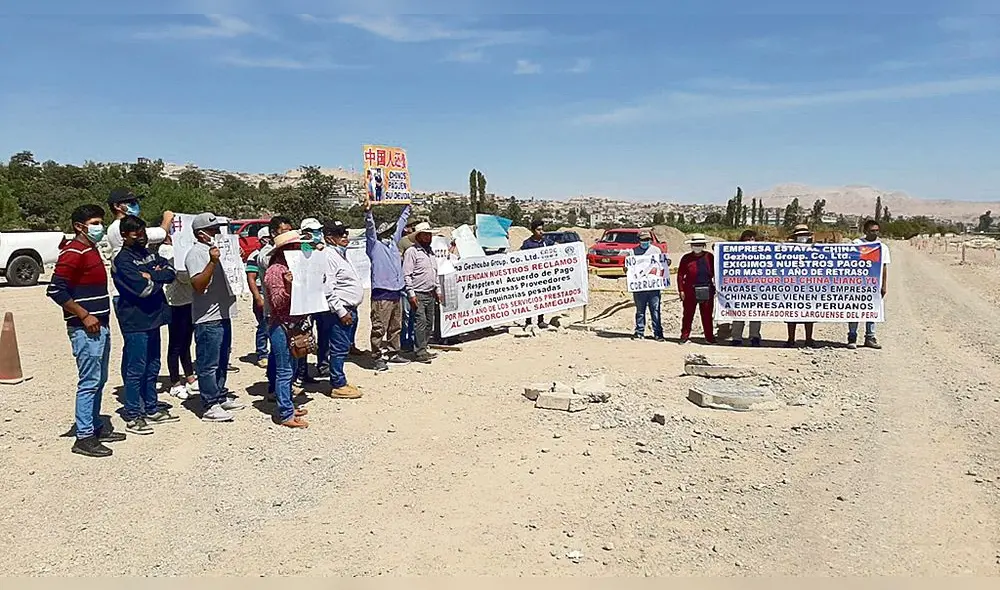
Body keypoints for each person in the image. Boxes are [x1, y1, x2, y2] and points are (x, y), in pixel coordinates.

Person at [47, 204, 123, 457]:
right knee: (89, 381)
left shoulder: (90, 249)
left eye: (100, 222)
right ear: (79, 226)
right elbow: (56, 290)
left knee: (99, 379)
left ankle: (95, 426)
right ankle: (84, 436)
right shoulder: (73, 252)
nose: (99, 227)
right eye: (94, 223)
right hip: (85, 327)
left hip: (99, 324)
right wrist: (84, 314)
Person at [112, 215, 180, 435]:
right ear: (124, 235)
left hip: (155, 317)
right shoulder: (122, 260)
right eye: (136, 234)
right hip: (135, 320)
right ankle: (133, 414)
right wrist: (156, 275)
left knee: (153, 365)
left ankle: (151, 407)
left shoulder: (149, 253)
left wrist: (151, 274)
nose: (141, 238)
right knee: (136, 368)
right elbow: (143, 289)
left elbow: (170, 273)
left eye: (143, 233)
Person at [186, 212, 244, 422]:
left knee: (222, 359)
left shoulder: (221, 250)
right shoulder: (196, 254)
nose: (218, 233)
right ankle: (209, 404)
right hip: (207, 317)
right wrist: (212, 262)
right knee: (208, 362)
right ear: (202, 234)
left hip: (223, 313)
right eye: (213, 230)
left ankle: (219, 395)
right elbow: (198, 285)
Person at [263, 231, 310, 428]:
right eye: (297, 245)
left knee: (290, 367)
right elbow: (278, 301)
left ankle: (287, 405)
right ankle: (285, 413)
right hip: (282, 325)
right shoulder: (275, 271)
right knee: (284, 370)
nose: (300, 248)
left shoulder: (293, 267)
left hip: (292, 323)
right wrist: (290, 287)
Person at [364, 196, 412, 372]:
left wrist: (407, 207)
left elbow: (401, 224)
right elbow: (369, 229)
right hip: (382, 294)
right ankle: (377, 356)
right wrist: (368, 212)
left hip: (396, 292)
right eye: (389, 230)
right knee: (379, 327)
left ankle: (393, 352)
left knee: (395, 326)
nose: (392, 232)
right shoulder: (374, 245)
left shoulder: (393, 244)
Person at [322, 220, 364, 399]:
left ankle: (340, 379)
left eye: (345, 232)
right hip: (341, 309)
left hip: (349, 307)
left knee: (343, 346)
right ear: (330, 238)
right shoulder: (329, 257)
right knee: (338, 348)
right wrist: (341, 312)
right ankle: (338, 384)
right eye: (340, 234)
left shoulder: (341, 255)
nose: (345, 236)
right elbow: (328, 289)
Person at [157, 238, 198, 400]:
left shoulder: (190, 247)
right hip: (175, 302)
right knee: (175, 343)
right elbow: (181, 276)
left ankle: (189, 375)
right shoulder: (166, 250)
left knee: (187, 341)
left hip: (190, 300)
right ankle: (175, 381)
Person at [847, 219, 888, 350]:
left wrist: (884, 285)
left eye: (877, 230)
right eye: (872, 231)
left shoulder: (882, 247)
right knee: (854, 310)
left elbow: (884, 266)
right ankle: (852, 337)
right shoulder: (857, 244)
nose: (875, 233)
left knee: (871, 310)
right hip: (857, 284)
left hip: (873, 284)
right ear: (865, 231)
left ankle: (870, 337)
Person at [403, 222, 440, 363]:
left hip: (430, 293)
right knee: (421, 322)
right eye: (425, 234)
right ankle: (420, 352)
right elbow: (407, 274)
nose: (428, 237)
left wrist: (437, 289)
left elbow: (434, 272)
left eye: (429, 234)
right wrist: (411, 294)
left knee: (429, 322)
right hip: (418, 293)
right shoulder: (412, 252)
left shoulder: (430, 252)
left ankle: (423, 348)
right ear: (418, 236)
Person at [677, 233, 716, 344]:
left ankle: (709, 337)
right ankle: (684, 336)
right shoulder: (686, 258)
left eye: (699, 244)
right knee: (688, 315)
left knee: (707, 315)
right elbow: (680, 275)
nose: (697, 247)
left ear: (703, 245)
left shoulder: (709, 257)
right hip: (690, 290)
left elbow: (715, 273)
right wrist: (681, 290)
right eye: (695, 244)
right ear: (691, 246)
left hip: (706, 289)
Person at [630, 230, 664, 341]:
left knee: (655, 310)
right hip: (640, 288)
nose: (645, 242)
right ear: (639, 240)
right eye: (643, 240)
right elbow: (630, 268)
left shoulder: (656, 250)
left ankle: (658, 333)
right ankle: (639, 332)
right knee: (640, 311)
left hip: (654, 287)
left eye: (647, 240)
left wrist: (666, 263)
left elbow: (661, 265)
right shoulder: (633, 252)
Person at [520, 220, 555, 329]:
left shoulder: (546, 242)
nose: (541, 232)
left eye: (542, 229)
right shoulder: (527, 244)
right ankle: (528, 321)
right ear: (533, 230)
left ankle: (541, 320)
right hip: (531, 277)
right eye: (538, 230)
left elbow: (557, 249)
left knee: (542, 299)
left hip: (543, 276)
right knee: (530, 299)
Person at [786, 224, 816, 348]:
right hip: (792, 285)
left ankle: (808, 338)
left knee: (809, 313)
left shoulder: (815, 249)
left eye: (804, 235)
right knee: (790, 314)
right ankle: (791, 338)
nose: (802, 238)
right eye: (799, 236)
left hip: (809, 285)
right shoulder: (787, 249)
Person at [245, 226, 272, 368]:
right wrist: (257, 297)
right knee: (263, 325)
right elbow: (251, 278)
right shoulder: (255, 256)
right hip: (262, 295)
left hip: (273, 296)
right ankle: (262, 353)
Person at [732, 229, 763, 347]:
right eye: (747, 238)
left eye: (752, 238)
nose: (750, 241)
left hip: (757, 288)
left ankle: (755, 336)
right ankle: (736, 337)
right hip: (739, 288)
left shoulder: (761, 253)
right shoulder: (736, 253)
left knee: (755, 314)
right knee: (738, 313)